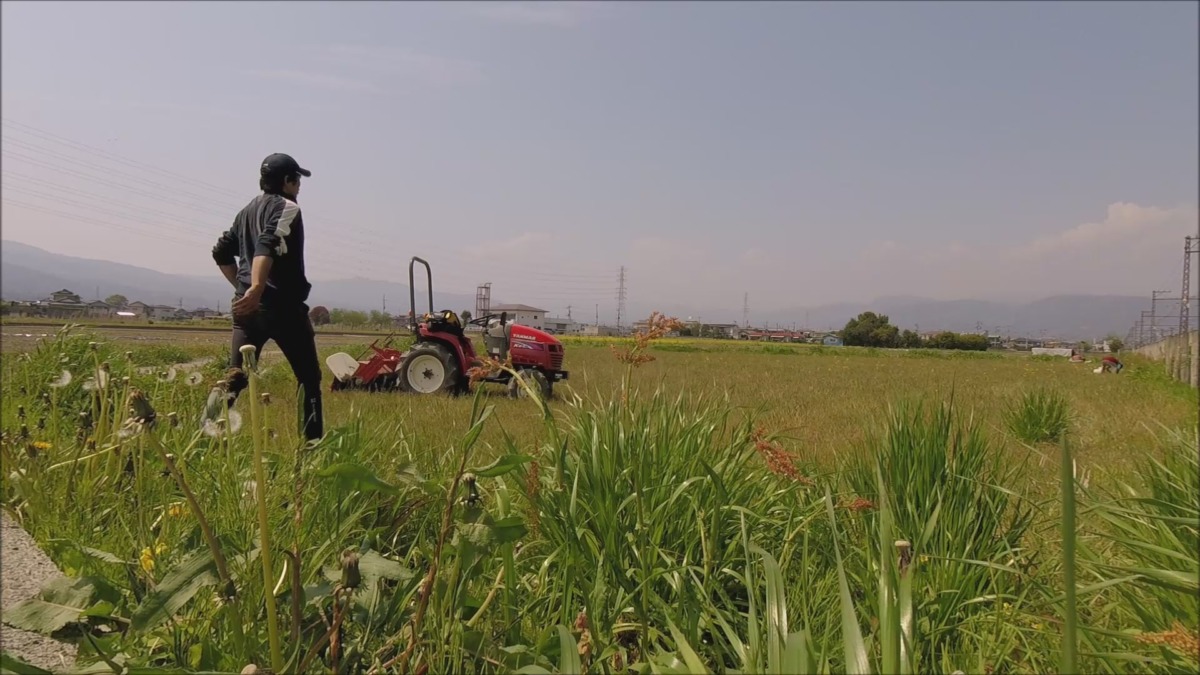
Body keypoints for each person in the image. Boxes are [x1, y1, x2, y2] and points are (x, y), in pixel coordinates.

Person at [207, 153, 324, 442]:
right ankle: (311, 447)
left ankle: (202, 438)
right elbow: (266, 244)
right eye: (297, 180)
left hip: (247, 313)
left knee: (232, 378)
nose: (299, 186)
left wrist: (243, 287)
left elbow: (221, 252)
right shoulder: (287, 207)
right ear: (287, 181)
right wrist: (257, 286)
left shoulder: (246, 211)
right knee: (309, 380)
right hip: (283, 309)